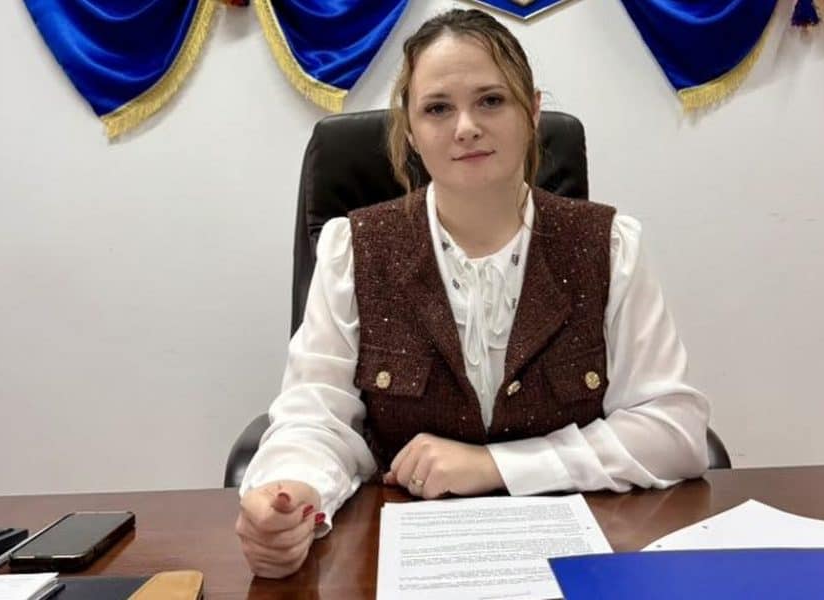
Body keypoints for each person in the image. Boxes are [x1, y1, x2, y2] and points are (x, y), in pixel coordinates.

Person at [235, 8, 710, 579]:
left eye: (491, 100)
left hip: (580, 559)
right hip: (400, 561)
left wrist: (495, 465)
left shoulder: (610, 246)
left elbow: (672, 430)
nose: (465, 126)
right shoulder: (352, 251)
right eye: (437, 108)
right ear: (411, 131)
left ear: (532, 113)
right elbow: (317, 417)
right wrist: (290, 494)